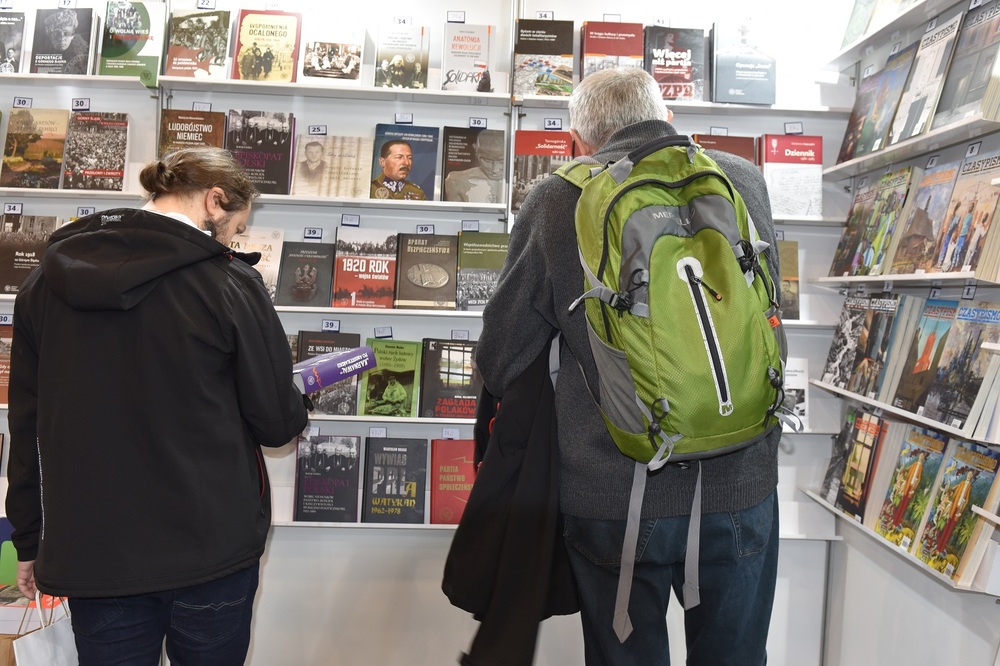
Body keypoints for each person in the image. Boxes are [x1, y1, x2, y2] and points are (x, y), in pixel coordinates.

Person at [475, 67, 781, 665]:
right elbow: (767, 315)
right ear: (667, 118)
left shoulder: (558, 198)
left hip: (616, 492)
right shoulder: (741, 179)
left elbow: (503, 354)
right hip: (740, 482)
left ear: (579, 141)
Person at [5, 147, 310, 664]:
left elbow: (27, 422)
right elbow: (276, 423)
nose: (231, 240)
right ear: (215, 201)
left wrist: (30, 538)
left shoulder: (42, 286)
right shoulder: (228, 282)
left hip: (92, 552)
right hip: (210, 545)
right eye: (235, 226)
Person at [444, 130, 506, 203]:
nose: (494, 170)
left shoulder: (518, 182)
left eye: (501, 162)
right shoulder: (456, 181)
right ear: (476, 150)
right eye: (487, 161)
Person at [39, 8, 89, 75]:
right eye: (57, 34)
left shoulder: (82, 55)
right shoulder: (41, 55)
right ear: (50, 35)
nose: (62, 38)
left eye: (66, 33)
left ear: (72, 35)